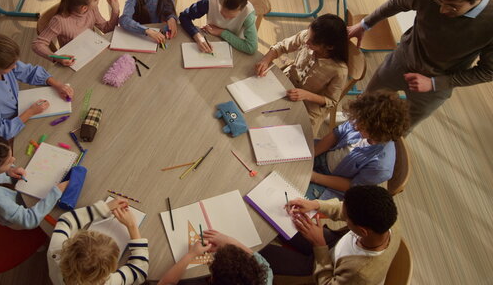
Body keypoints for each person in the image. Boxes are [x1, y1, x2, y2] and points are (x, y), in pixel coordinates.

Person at [348, 0, 493, 130]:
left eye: (453, 7)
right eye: (438, 0)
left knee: (397, 129)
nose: (442, 10)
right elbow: (397, 3)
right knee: (364, 105)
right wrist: (364, 24)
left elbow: (488, 71)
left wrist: (434, 83)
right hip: (401, 60)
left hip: (437, 83)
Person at [260, 185, 400, 285]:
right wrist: (315, 204)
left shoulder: (361, 274)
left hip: (320, 271)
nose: (343, 215)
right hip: (334, 245)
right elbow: (343, 208)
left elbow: (327, 282)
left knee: (259, 251)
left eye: (346, 217)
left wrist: (319, 245)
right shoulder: (387, 219)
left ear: (362, 231)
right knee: (281, 220)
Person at [0, 33, 73, 140]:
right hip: (13, 126)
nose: (15, 66)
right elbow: (0, 132)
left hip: (23, 110)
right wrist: (30, 112)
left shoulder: (2, 65)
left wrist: (57, 84)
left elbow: (29, 72)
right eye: (11, 66)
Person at [255, 14, 349, 134]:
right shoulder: (307, 36)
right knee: (258, 110)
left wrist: (306, 95)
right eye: (308, 36)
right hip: (287, 81)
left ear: (329, 47)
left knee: (290, 136)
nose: (306, 41)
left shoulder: (339, 70)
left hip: (309, 106)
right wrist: (266, 60)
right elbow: (282, 46)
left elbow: (331, 101)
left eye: (312, 42)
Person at [307, 91, 409, 200]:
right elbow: (337, 133)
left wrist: (314, 177)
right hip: (326, 154)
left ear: (378, 132)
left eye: (362, 127)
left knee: (292, 198)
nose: (355, 127)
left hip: (331, 184)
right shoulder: (364, 119)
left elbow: (352, 186)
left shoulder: (381, 167)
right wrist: (311, 155)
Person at [0, 135, 68, 229]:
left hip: (12, 195)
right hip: (16, 220)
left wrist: (8, 170)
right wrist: (56, 192)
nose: (14, 159)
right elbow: (29, 220)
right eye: (8, 161)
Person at [47, 198, 149, 285]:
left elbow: (66, 220)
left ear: (71, 244)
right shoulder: (107, 282)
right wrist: (132, 226)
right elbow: (139, 271)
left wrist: (104, 208)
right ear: (107, 271)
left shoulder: (55, 251)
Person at [32, 0, 120, 66]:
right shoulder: (59, 21)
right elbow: (37, 44)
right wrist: (55, 57)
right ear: (84, 8)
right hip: (74, 60)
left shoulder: (92, 9)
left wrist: (115, 10)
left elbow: (107, 29)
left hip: (92, 49)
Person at [158, 230, 272, 285]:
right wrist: (230, 241)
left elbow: (164, 283)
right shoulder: (263, 278)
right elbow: (261, 263)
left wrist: (191, 255)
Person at [179, 0, 258, 54]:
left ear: (242, 9)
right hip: (211, 38)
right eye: (222, 13)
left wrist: (221, 32)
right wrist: (197, 36)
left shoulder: (248, 14)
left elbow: (251, 48)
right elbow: (184, 16)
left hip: (236, 46)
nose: (226, 18)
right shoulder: (210, 2)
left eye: (231, 17)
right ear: (219, 0)